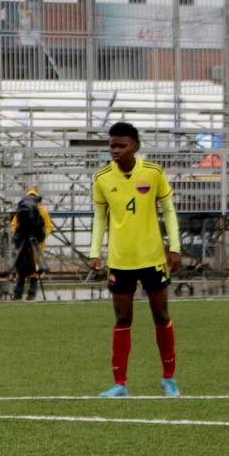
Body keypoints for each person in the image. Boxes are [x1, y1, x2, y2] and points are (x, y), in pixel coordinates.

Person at [89, 121, 181, 398]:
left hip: (152, 257)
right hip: (120, 260)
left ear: (135, 146)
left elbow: (168, 210)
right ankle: (120, 384)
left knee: (161, 315)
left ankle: (169, 379)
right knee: (122, 318)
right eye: (112, 145)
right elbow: (100, 218)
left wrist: (174, 247)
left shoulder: (153, 173)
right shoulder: (102, 178)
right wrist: (95, 252)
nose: (115, 150)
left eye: (121, 145)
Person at [9, 188, 52, 301]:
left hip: (24, 244)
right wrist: (41, 238)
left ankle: (17, 294)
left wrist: (18, 237)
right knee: (35, 269)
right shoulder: (42, 210)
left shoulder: (21, 209)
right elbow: (49, 227)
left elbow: (13, 226)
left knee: (21, 268)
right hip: (36, 245)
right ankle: (31, 294)